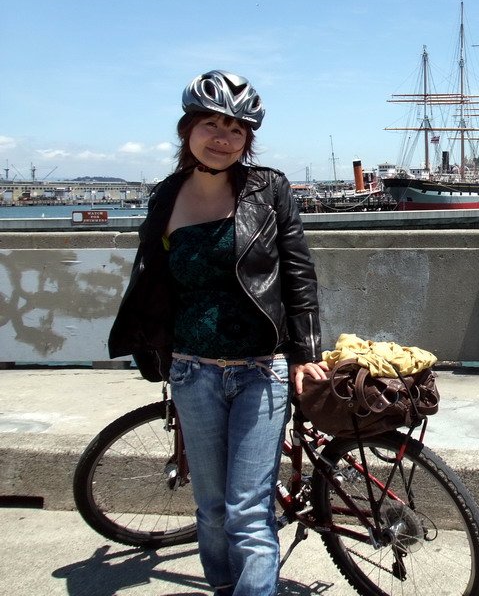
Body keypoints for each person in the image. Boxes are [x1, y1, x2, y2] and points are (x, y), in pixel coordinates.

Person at [108, 70, 327, 595]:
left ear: (248, 139)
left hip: (261, 369)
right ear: (187, 130)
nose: (223, 137)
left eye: (236, 128)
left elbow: (298, 272)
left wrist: (305, 353)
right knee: (210, 509)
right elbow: (153, 281)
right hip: (192, 371)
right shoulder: (165, 197)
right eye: (211, 124)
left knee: (248, 512)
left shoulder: (268, 189)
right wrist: (150, 347)